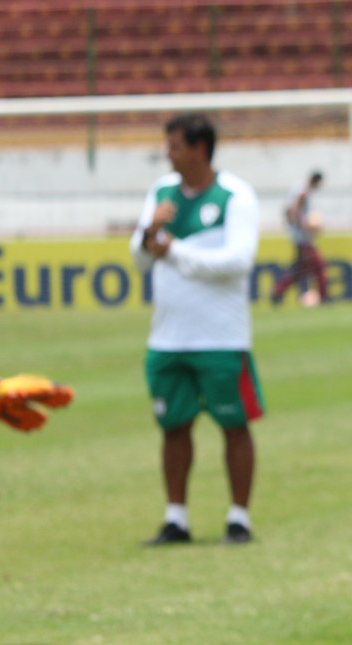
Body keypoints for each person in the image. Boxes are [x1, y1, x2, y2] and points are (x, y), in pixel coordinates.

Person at [131, 114, 264, 546]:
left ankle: (238, 517)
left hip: (221, 337)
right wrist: (151, 232)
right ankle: (176, 518)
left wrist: (176, 250)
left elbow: (238, 261)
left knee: (234, 424)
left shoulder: (235, 196)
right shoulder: (161, 193)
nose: (167, 154)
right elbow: (141, 259)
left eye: (174, 146)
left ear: (199, 149)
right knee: (173, 426)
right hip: (168, 336)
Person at [270, 170, 329, 305]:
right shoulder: (304, 191)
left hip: (299, 237)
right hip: (303, 238)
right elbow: (294, 210)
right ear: (316, 181)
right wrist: (305, 226)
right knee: (318, 266)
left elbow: (287, 210)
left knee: (299, 269)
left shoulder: (298, 188)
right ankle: (325, 298)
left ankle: (277, 293)